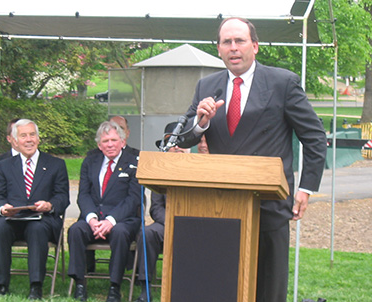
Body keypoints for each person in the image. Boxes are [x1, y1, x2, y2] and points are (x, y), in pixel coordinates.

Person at [179, 18, 327, 302]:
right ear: (219, 49)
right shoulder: (206, 87)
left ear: (255, 46)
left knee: (267, 289)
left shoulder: (282, 83)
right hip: (219, 207)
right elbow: (183, 138)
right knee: (222, 284)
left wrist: (306, 188)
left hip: (268, 206)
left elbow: (315, 137)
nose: (233, 48)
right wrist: (200, 123)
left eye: (240, 41)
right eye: (226, 42)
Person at [0, 119, 70, 299]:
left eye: (32, 135)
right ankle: (1, 285)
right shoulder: (4, 166)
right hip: (13, 218)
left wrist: (50, 205)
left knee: (37, 229)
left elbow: (62, 197)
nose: (28, 140)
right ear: (15, 141)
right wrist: (3, 208)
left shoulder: (56, 164)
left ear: (39, 139)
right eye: (23, 136)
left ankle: (36, 286)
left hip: (43, 219)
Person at [68, 121, 141, 302]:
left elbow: (133, 199)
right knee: (75, 230)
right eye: (105, 141)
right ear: (99, 145)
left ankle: (115, 287)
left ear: (123, 142)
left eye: (114, 140)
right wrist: (92, 219)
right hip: (93, 219)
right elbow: (83, 195)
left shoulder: (133, 163)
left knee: (120, 232)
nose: (110, 144)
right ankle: (79, 284)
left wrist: (111, 220)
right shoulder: (90, 162)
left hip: (123, 220)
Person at [134, 122, 198, 302]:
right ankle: (145, 288)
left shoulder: (199, 168)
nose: (177, 147)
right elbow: (156, 208)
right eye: (172, 143)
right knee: (147, 233)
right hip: (167, 224)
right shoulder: (160, 171)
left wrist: (186, 223)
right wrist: (173, 222)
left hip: (195, 224)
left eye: (181, 142)